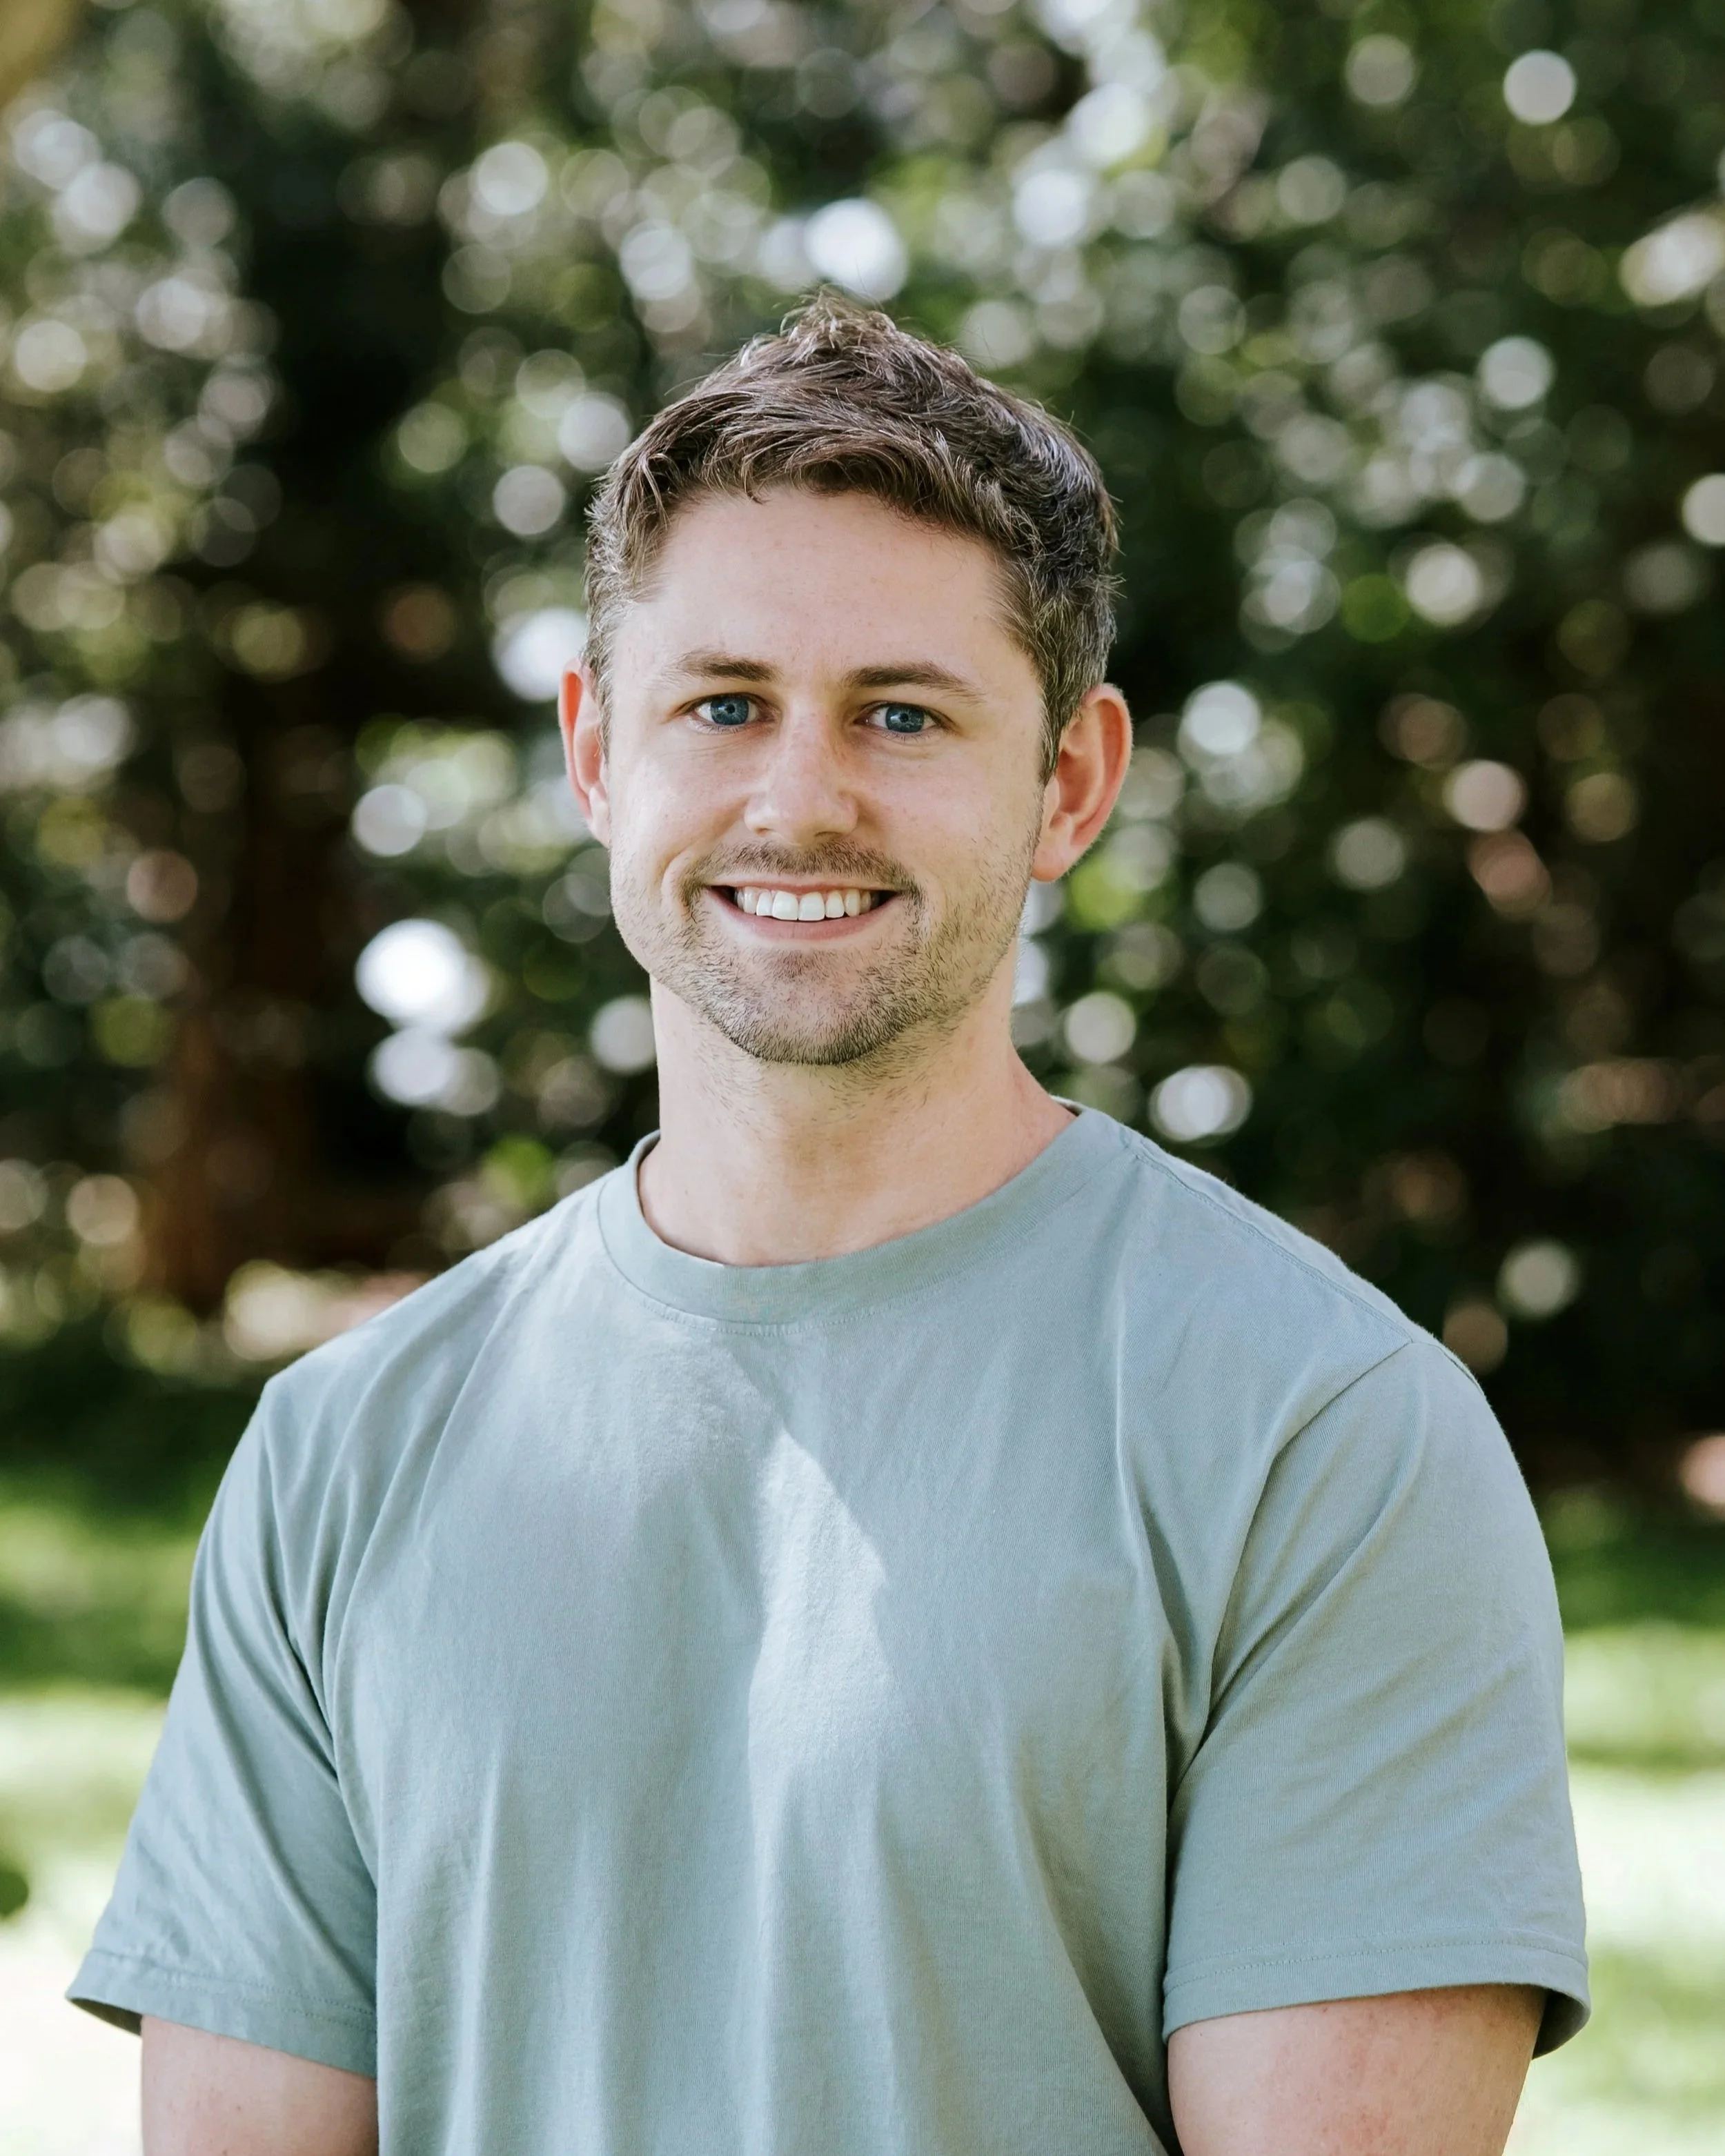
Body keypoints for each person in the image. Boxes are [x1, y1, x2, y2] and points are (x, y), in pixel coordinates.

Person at [72, 298, 1588, 2156]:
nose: (801, 797)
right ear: (596, 752)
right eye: (722, 704)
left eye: (901, 711)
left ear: (1070, 783)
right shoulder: (341, 1449)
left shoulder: (1319, 1433)